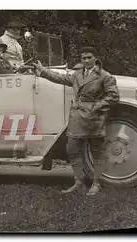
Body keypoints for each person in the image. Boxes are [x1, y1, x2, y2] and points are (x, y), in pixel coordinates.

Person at [32, 46, 120, 196]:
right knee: (71, 148)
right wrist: (42, 70)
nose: (86, 61)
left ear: (96, 59)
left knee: (96, 151)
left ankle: (96, 183)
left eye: (89, 57)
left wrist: (95, 107)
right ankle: (79, 182)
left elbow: (113, 97)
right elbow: (60, 78)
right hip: (78, 116)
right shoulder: (77, 75)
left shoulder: (105, 76)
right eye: (83, 58)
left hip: (94, 117)